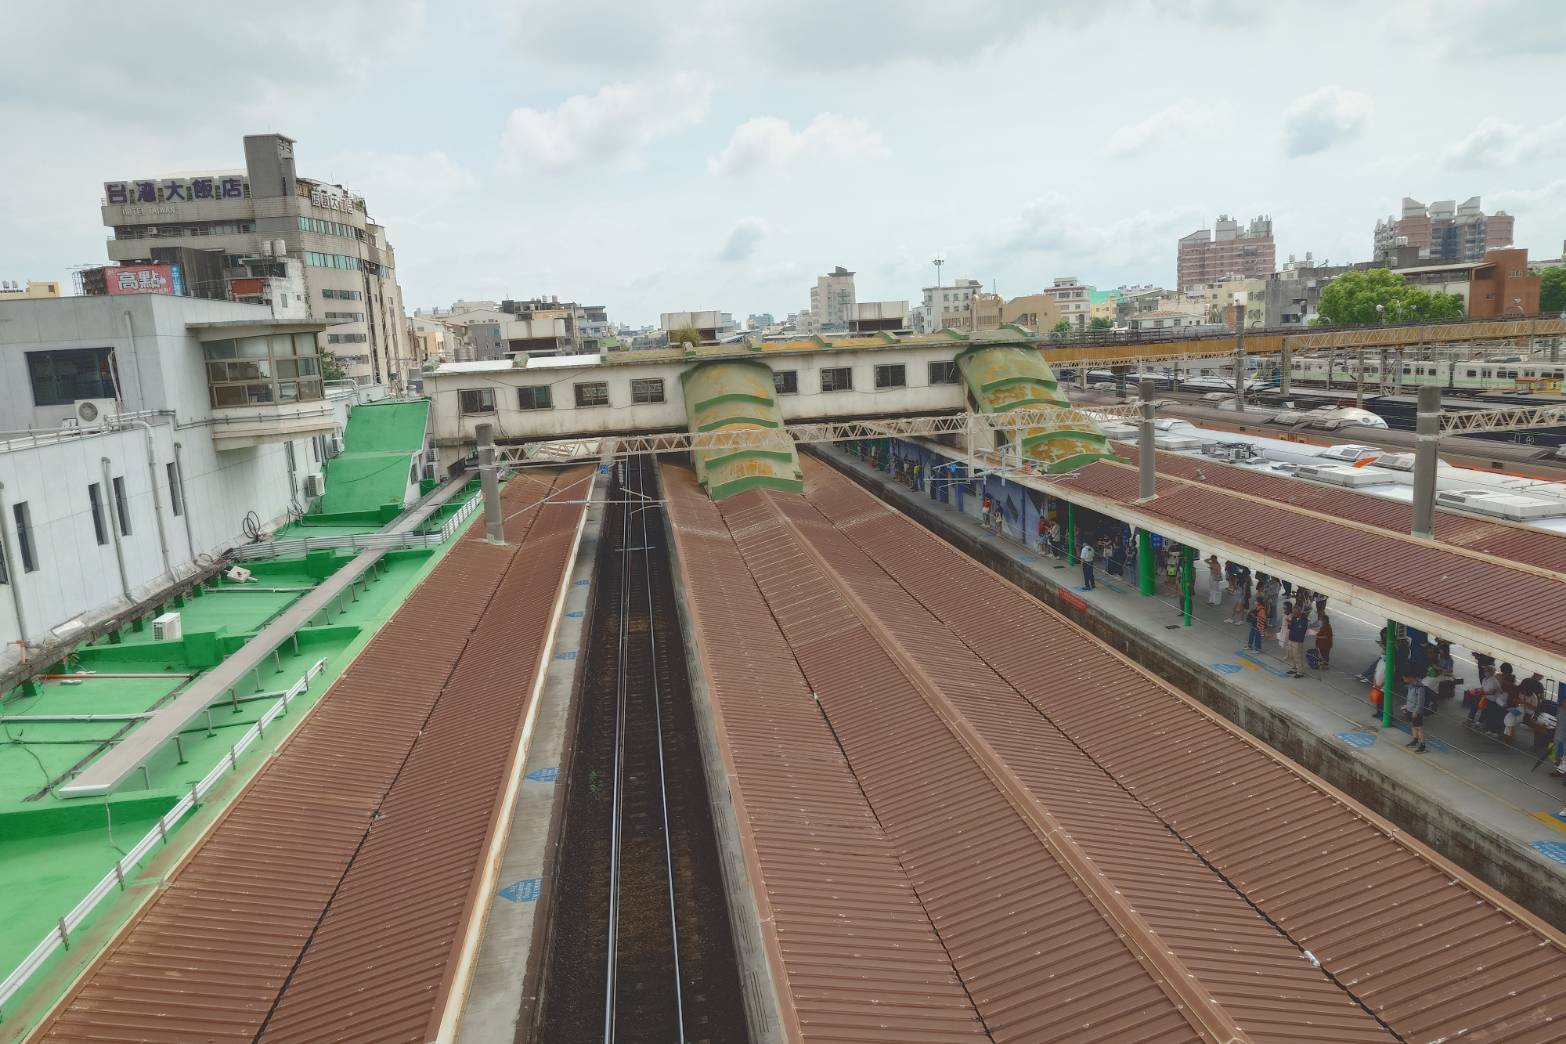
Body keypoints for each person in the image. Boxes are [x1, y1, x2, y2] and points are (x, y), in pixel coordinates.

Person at [1404, 668, 1429, 753]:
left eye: (1405, 678)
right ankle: (1415, 740)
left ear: (1410, 677)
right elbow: (1410, 698)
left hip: (1416, 711)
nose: (1404, 679)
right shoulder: (1411, 685)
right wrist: (1406, 706)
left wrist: (1416, 711)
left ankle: (1423, 745)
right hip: (1409, 709)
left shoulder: (1420, 687)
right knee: (1413, 725)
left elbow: (1420, 702)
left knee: (1419, 727)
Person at [1285, 603, 1310, 678]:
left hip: (1298, 641)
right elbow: (1291, 627)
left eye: (1295, 613)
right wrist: (1289, 623)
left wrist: (1292, 625)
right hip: (1291, 638)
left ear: (1298, 613)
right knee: (1291, 655)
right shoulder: (1294, 618)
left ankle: (1300, 672)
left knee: (1297, 656)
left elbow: (1300, 630)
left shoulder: (1304, 621)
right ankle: (1294, 668)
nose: (1293, 614)